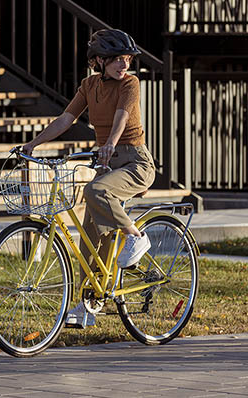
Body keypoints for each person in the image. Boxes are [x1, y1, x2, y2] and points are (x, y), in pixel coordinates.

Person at [21, 28, 156, 328]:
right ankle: (88, 303)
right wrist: (33, 144)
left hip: (136, 162)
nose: (124, 65)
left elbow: (123, 115)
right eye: (117, 60)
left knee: (96, 190)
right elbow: (66, 119)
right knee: (89, 237)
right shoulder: (89, 85)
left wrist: (109, 143)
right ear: (98, 61)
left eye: (127, 59)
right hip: (108, 164)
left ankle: (136, 236)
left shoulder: (130, 84)